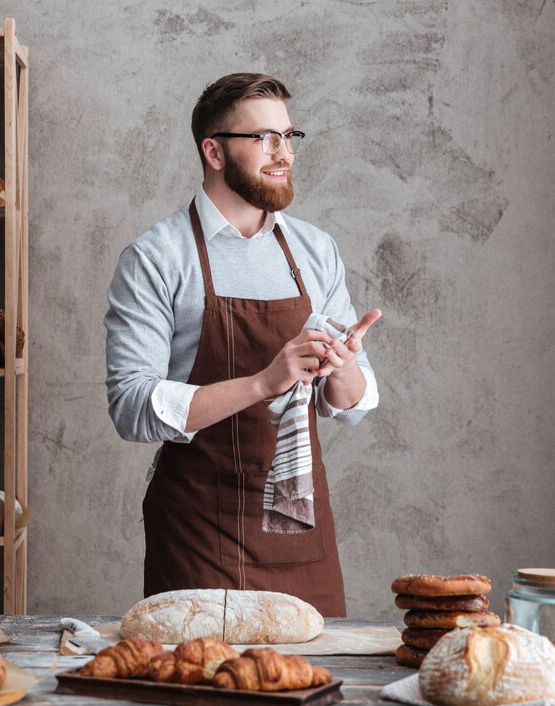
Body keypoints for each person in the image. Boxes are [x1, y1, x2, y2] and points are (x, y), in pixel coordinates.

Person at [104, 73, 381, 616]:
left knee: (310, 689)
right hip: (197, 534)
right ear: (213, 150)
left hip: (298, 530)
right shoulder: (157, 257)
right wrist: (262, 383)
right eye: (263, 138)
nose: (284, 154)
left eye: (288, 136)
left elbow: (350, 404)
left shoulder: (314, 250)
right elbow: (132, 408)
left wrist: (344, 367)